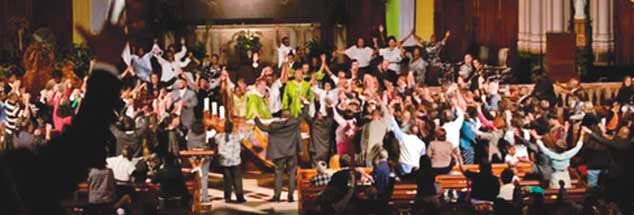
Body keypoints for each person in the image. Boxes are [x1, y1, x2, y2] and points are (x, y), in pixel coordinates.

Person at [254, 107, 307, 202]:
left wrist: (256, 119)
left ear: (281, 116)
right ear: (290, 116)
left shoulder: (274, 125)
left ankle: (277, 196)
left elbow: (262, 128)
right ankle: (290, 196)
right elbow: (304, 115)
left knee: (278, 175)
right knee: (291, 174)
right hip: (291, 152)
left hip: (278, 153)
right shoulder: (294, 123)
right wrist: (305, 104)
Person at [215, 120, 252, 203]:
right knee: (237, 180)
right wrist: (250, 129)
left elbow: (215, 139)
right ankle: (239, 197)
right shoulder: (237, 136)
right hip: (235, 161)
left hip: (224, 161)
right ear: (232, 128)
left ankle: (227, 197)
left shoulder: (219, 136)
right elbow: (246, 135)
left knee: (227, 180)